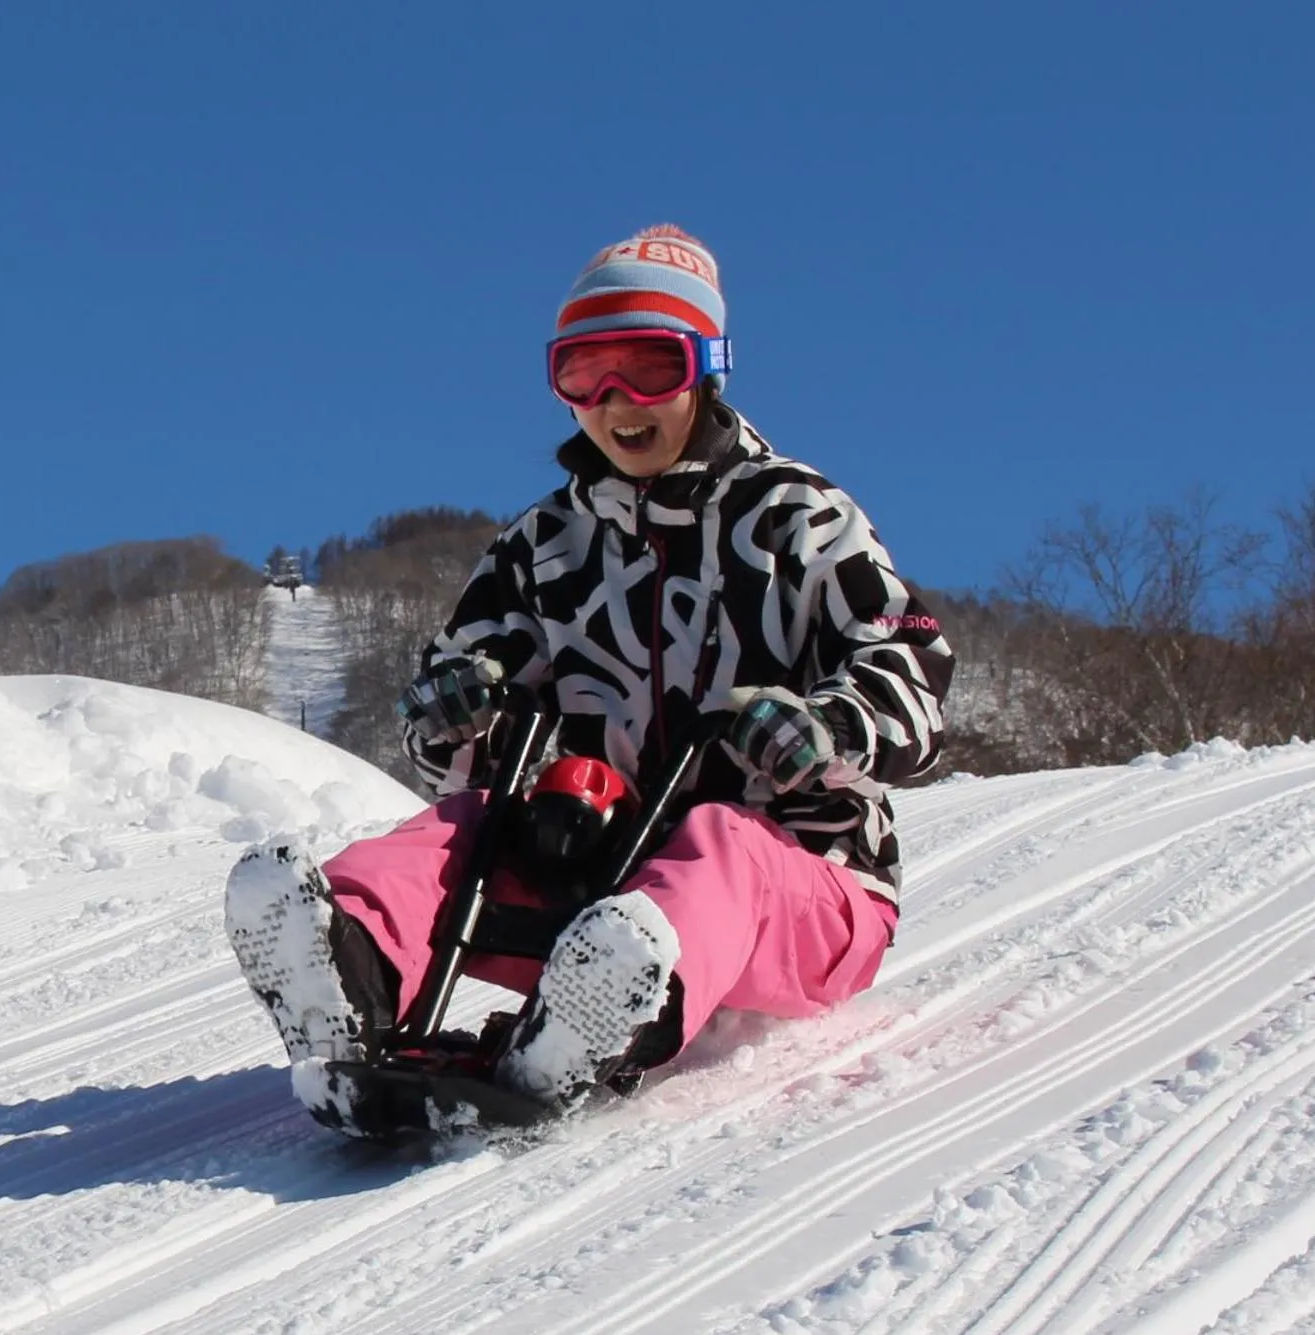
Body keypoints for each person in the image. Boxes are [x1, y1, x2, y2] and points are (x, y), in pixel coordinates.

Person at [226, 225, 954, 1120]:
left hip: (805, 889)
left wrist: (829, 727)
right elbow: (449, 738)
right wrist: (458, 716)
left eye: (649, 366)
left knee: (722, 841)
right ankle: (350, 967)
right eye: (583, 373)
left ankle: (611, 1010)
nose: (616, 399)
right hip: (599, 887)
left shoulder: (796, 517)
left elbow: (909, 658)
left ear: (706, 367)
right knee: (469, 825)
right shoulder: (541, 547)